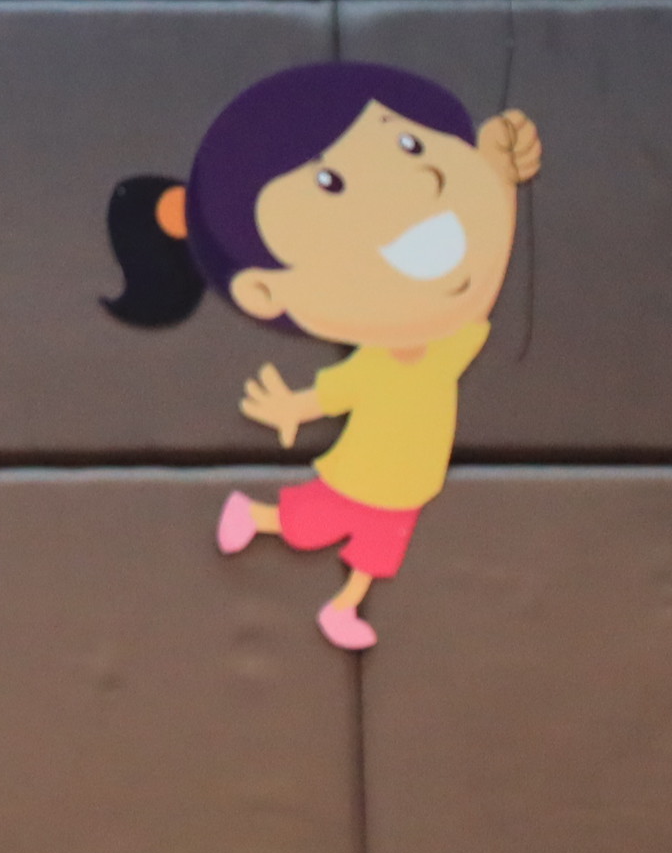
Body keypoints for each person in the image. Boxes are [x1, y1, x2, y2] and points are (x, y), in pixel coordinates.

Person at [98, 61, 543, 653]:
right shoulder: (375, 364)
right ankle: (254, 519)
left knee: (379, 549)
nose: (422, 182)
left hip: (408, 483)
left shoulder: (440, 351)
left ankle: (343, 606)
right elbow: (331, 394)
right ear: (264, 290)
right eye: (330, 183)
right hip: (367, 473)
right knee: (313, 524)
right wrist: (290, 408)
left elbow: (477, 293)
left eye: (409, 144)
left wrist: (499, 181)